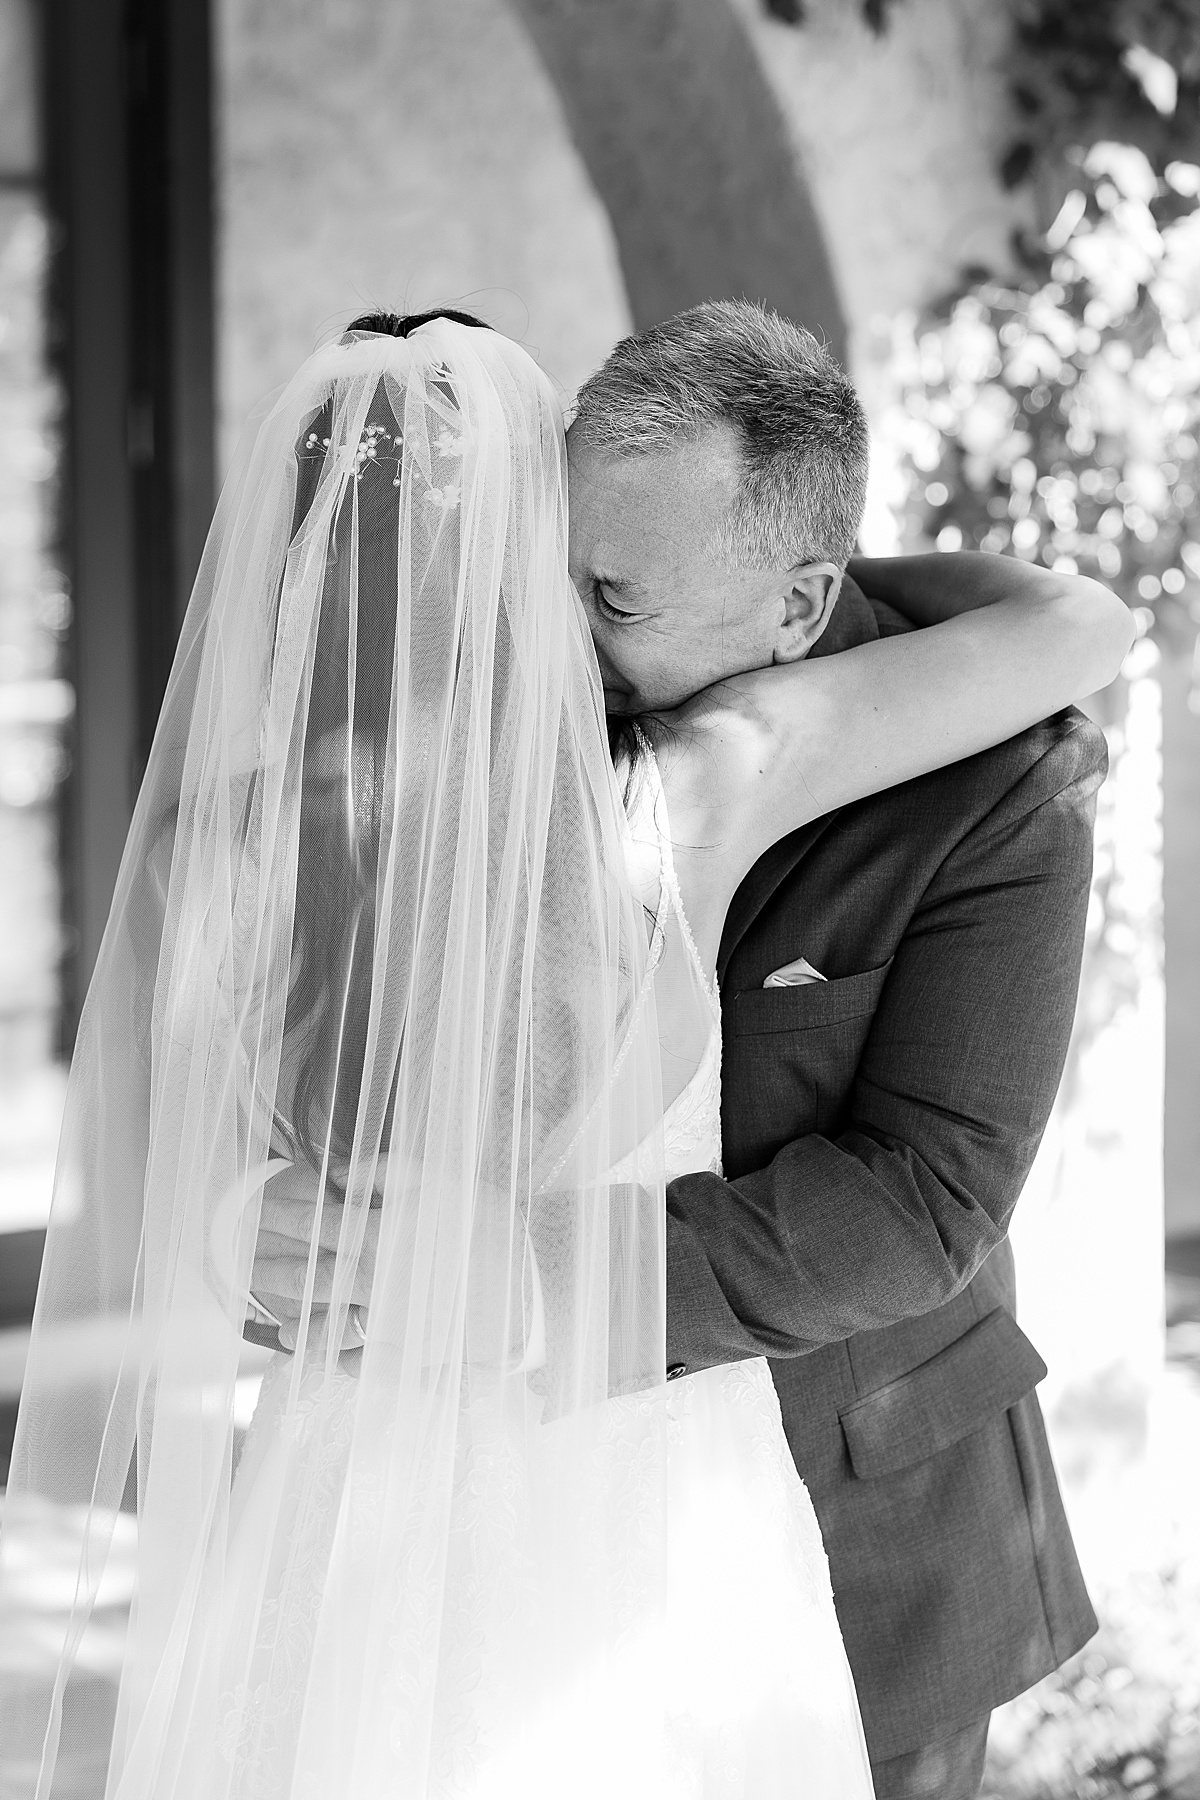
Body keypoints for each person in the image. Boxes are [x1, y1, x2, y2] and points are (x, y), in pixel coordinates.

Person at [0, 311, 1131, 1800]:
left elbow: (923, 1201)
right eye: (544, 569)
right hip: (425, 1536)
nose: (553, 641)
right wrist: (250, 1236)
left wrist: (518, 1279)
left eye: (611, 599)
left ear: (798, 606)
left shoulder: (997, 779)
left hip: (864, 1501)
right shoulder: (431, 762)